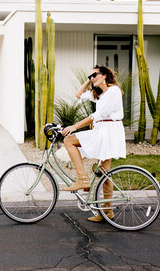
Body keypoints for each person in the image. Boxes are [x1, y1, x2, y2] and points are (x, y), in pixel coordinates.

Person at [61, 65, 126, 222]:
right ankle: (108, 211)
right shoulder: (100, 94)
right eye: (90, 76)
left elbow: (97, 115)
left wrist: (75, 126)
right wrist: (89, 80)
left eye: (95, 75)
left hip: (108, 131)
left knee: (69, 140)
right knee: (105, 174)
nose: (92, 78)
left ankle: (82, 178)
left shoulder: (113, 91)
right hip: (104, 130)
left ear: (104, 75)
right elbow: (78, 95)